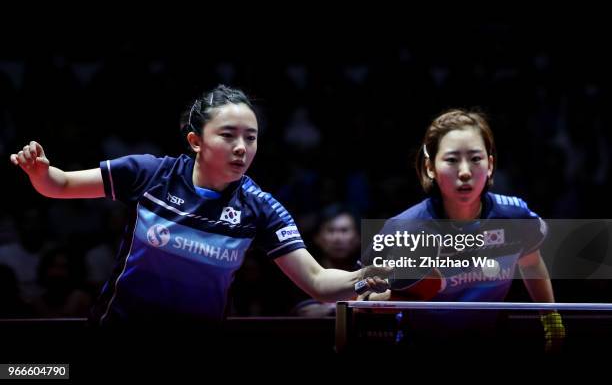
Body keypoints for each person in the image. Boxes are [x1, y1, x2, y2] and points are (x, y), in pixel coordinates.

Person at [10, 84, 389, 326]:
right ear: (195, 141)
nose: (242, 147)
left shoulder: (260, 207)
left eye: (251, 138)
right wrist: (40, 173)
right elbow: (59, 186)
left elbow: (319, 283)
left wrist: (365, 277)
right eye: (228, 135)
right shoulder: (149, 174)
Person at [362, 108, 565, 352]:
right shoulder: (403, 229)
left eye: (476, 158)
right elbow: (360, 294)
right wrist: (394, 296)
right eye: (451, 160)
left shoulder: (514, 216)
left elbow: (531, 263)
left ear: (490, 165)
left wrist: (550, 317)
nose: (465, 171)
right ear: (430, 167)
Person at [292, 204, 361, 317]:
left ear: (358, 238)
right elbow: (306, 311)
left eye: (344, 231)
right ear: (318, 238)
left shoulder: (366, 271)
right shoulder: (303, 271)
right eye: (330, 230)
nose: (337, 238)